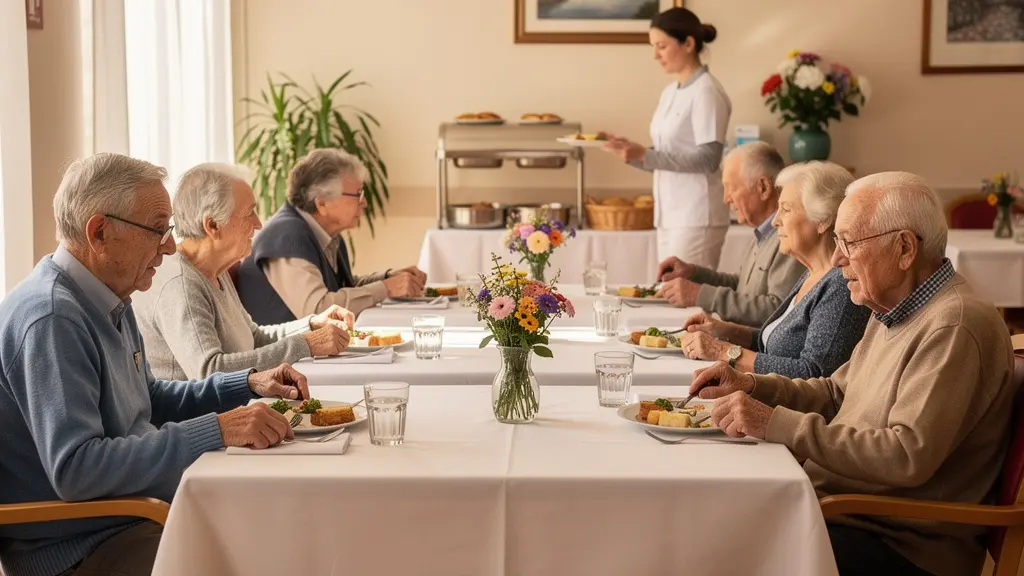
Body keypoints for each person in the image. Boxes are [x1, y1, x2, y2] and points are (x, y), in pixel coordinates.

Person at [689, 172, 1017, 576]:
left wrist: (773, 421)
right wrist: (753, 385)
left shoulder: (955, 325)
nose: (839, 258)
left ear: (904, 248)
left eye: (849, 242)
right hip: (849, 512)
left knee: (717, 543)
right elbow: (835, 393)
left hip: (899, 543)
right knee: (708, 511)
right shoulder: (895, 307)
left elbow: (904, 455)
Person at [0, 153, 309, 576]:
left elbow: (149, 398)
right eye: (157, 229)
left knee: (276, 527)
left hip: (131, 516)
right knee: (260, 551)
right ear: (99, 232)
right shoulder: (52, 317)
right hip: (80, 547)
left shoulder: (109, 295)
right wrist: (218, 428)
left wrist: (248, 384)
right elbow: (77, 468)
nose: (169, 246)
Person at [133, 163, 355, 380]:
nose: (258, 224)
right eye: (249, 213)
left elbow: (255, 337)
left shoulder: (215, 269)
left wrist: (312, 325)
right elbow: (210, 371)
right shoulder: (180, 284)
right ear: (212, 226)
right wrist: (307, 344)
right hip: (201, 415)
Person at [678, 161, 869, 378]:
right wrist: (725, 330)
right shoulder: (812, 273)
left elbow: (813, 373)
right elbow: (779, 344)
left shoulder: (839, 285)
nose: (776, 221)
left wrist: (721, 351)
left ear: (823, 220)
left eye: (786, 210)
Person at [600, 7, 732, 269]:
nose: (655, 55)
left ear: (688, 44)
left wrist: (645, 155)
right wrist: (630, 152)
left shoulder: (707, 92)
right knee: (668, 297)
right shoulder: (670, 92)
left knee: (687, 300)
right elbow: (668, 154)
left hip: (696, 217)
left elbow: (708, 159)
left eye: (661, 46)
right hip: (669, 215)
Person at [236, 148, 426, 323]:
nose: (364, 202)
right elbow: (319, 309)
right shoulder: (285, 237)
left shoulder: (325, 234)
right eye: (357, 195)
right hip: (285, 357)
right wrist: (387, 288)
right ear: (322, 203)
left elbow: (341, 287)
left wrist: (388, 278)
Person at [657, 141, 805, 327]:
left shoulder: (787, 237)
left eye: (732, 188)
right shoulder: (764, 232)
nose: (726, 199)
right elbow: (741, 287)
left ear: (763, 187)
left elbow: (777, 310)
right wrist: (694, 273)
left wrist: (699, 295)